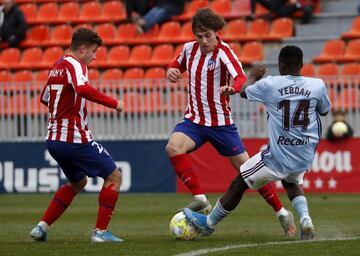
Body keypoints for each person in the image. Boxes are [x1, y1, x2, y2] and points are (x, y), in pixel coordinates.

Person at [165, 8, 297, 237]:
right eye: (199, 36)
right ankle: (199, 199)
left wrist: (232, 89)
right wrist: (172, 71)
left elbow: (240, 78)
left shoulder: (225, 53)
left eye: (207, 35)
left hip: (221, 124)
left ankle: (282, 212)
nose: (204, 40)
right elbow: (175, 65)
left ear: (216, 32)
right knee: (173, 147)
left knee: (249, 172)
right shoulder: (188, 49)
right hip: (194, 121)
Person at [183, 45, 331, 240]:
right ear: (302, 65)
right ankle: (306, 220)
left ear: (281, 66)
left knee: (240, 181)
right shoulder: (317, 85)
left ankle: (209, 223)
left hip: (278, 155)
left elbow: (244, 92)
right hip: (305, 153)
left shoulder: (271, 84)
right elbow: (324, 111)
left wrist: (252, 76)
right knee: (291, 181)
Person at [30, 28, 125, 243]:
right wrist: (114, 103)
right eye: (93, 51)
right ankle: (100, 233)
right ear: (82, 48)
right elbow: (82, 89)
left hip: (53, 139)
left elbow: (45, 97)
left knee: (78, 182)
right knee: (114, 176)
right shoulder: (76, 65)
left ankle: (41, 227)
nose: (94, 56)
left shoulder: (57, 65)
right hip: (74, 138)